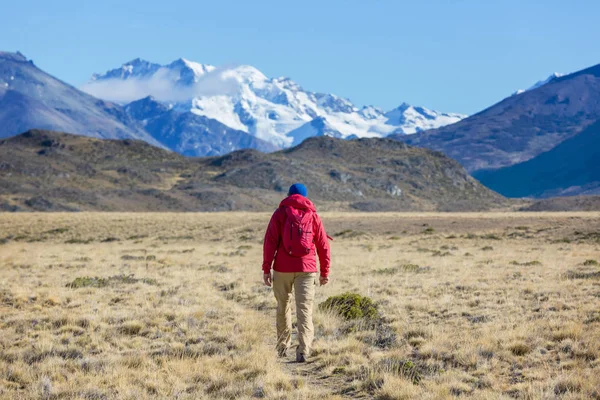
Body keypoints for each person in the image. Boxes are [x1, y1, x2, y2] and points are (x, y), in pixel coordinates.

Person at [262, 183, 331, 363]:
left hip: (282, 268)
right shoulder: (313, 215)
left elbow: (270, 242)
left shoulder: (280, 213)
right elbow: (323, 245)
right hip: (307, 269)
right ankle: (304, 350)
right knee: (304, 310)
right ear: (306, 197)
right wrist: (325, 271)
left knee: (283, 306)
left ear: (288, 195)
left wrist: (266, 268)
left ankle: (282, 346)